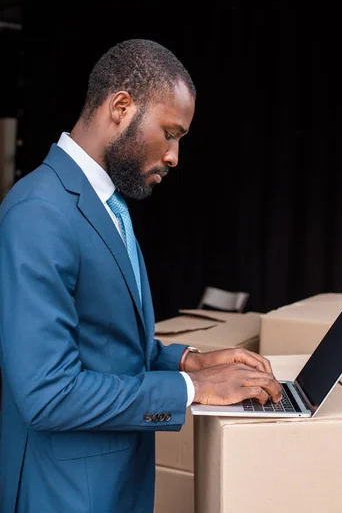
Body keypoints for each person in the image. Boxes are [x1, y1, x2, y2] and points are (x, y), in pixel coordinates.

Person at [0, 39, 282, 513]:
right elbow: (47, 394)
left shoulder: (110, 205)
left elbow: (108, 344)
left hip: (116, 483)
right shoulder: (38, 211)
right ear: (121, 106)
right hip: (65, 494)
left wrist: (191, 361)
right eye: (170, 133)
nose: (174, 156)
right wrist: (195, 390)